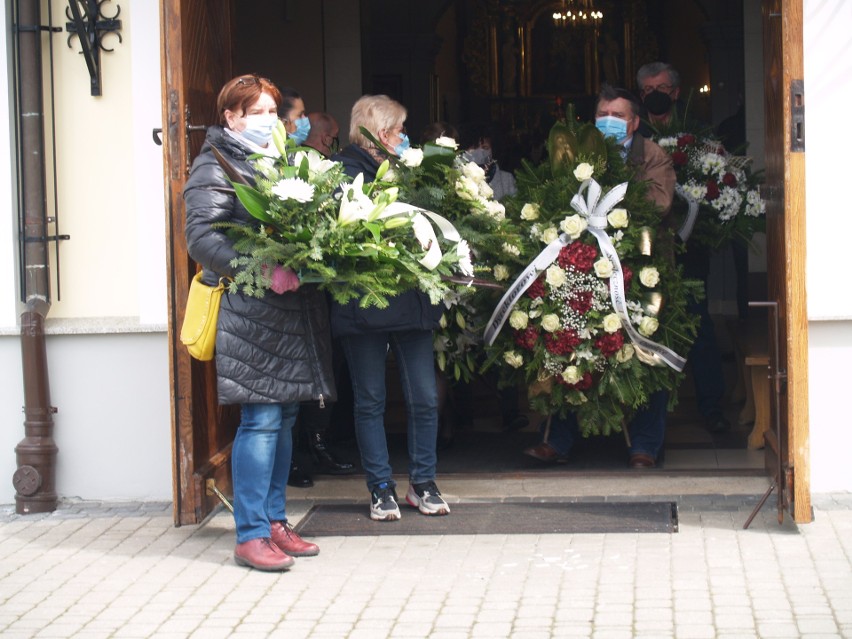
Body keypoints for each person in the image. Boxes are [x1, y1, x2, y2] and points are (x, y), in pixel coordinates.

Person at [183, 74, 335, 570]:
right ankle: (249, 534)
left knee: (285, 417)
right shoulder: (216, 164)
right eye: (257, 112)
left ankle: (274, 522)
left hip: (288, 311)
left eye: (273, 112)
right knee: (262, 420)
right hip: (249, 311)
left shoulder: (279, 162)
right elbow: (201, 238)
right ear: (231, 117)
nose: (269, 121)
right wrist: (261, 270)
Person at [524, 85, 676, 469]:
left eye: (619, 115)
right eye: (602, 114)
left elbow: (659, 203)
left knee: (646, 349)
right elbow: (553, 194)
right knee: (566, 342)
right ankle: (557, 439)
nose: (609, 122)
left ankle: (645, 443)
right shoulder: (573, 151)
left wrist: (611, 197)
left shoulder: (652, 155)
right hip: (578, 262)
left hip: (638, 264)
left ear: (635, 122)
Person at [330, 94, 451, 521]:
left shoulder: (411, 170)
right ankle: (381, 488)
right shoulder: (343, 171)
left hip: (413, 302)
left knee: (423, 396)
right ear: (381, 133)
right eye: (398, 130)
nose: (404, 137)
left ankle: (424, 482)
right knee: (370, 400)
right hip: (364, 302)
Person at [638, 62, 731, 433]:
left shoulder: (697, 136)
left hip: (689, 251)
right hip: (645, 250)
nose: (653, 95)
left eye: (660, 87)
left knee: (697, 326)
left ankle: (712, 407)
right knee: (647, 326)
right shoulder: (635, 135)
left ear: (675, 92)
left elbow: (720, 177)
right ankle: (648, 416)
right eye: (646, 90)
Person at [459, 122, 518, 201]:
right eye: (474, 147)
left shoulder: (507, 179)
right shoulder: (457, 178)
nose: (480, 152)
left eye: (485, 147)